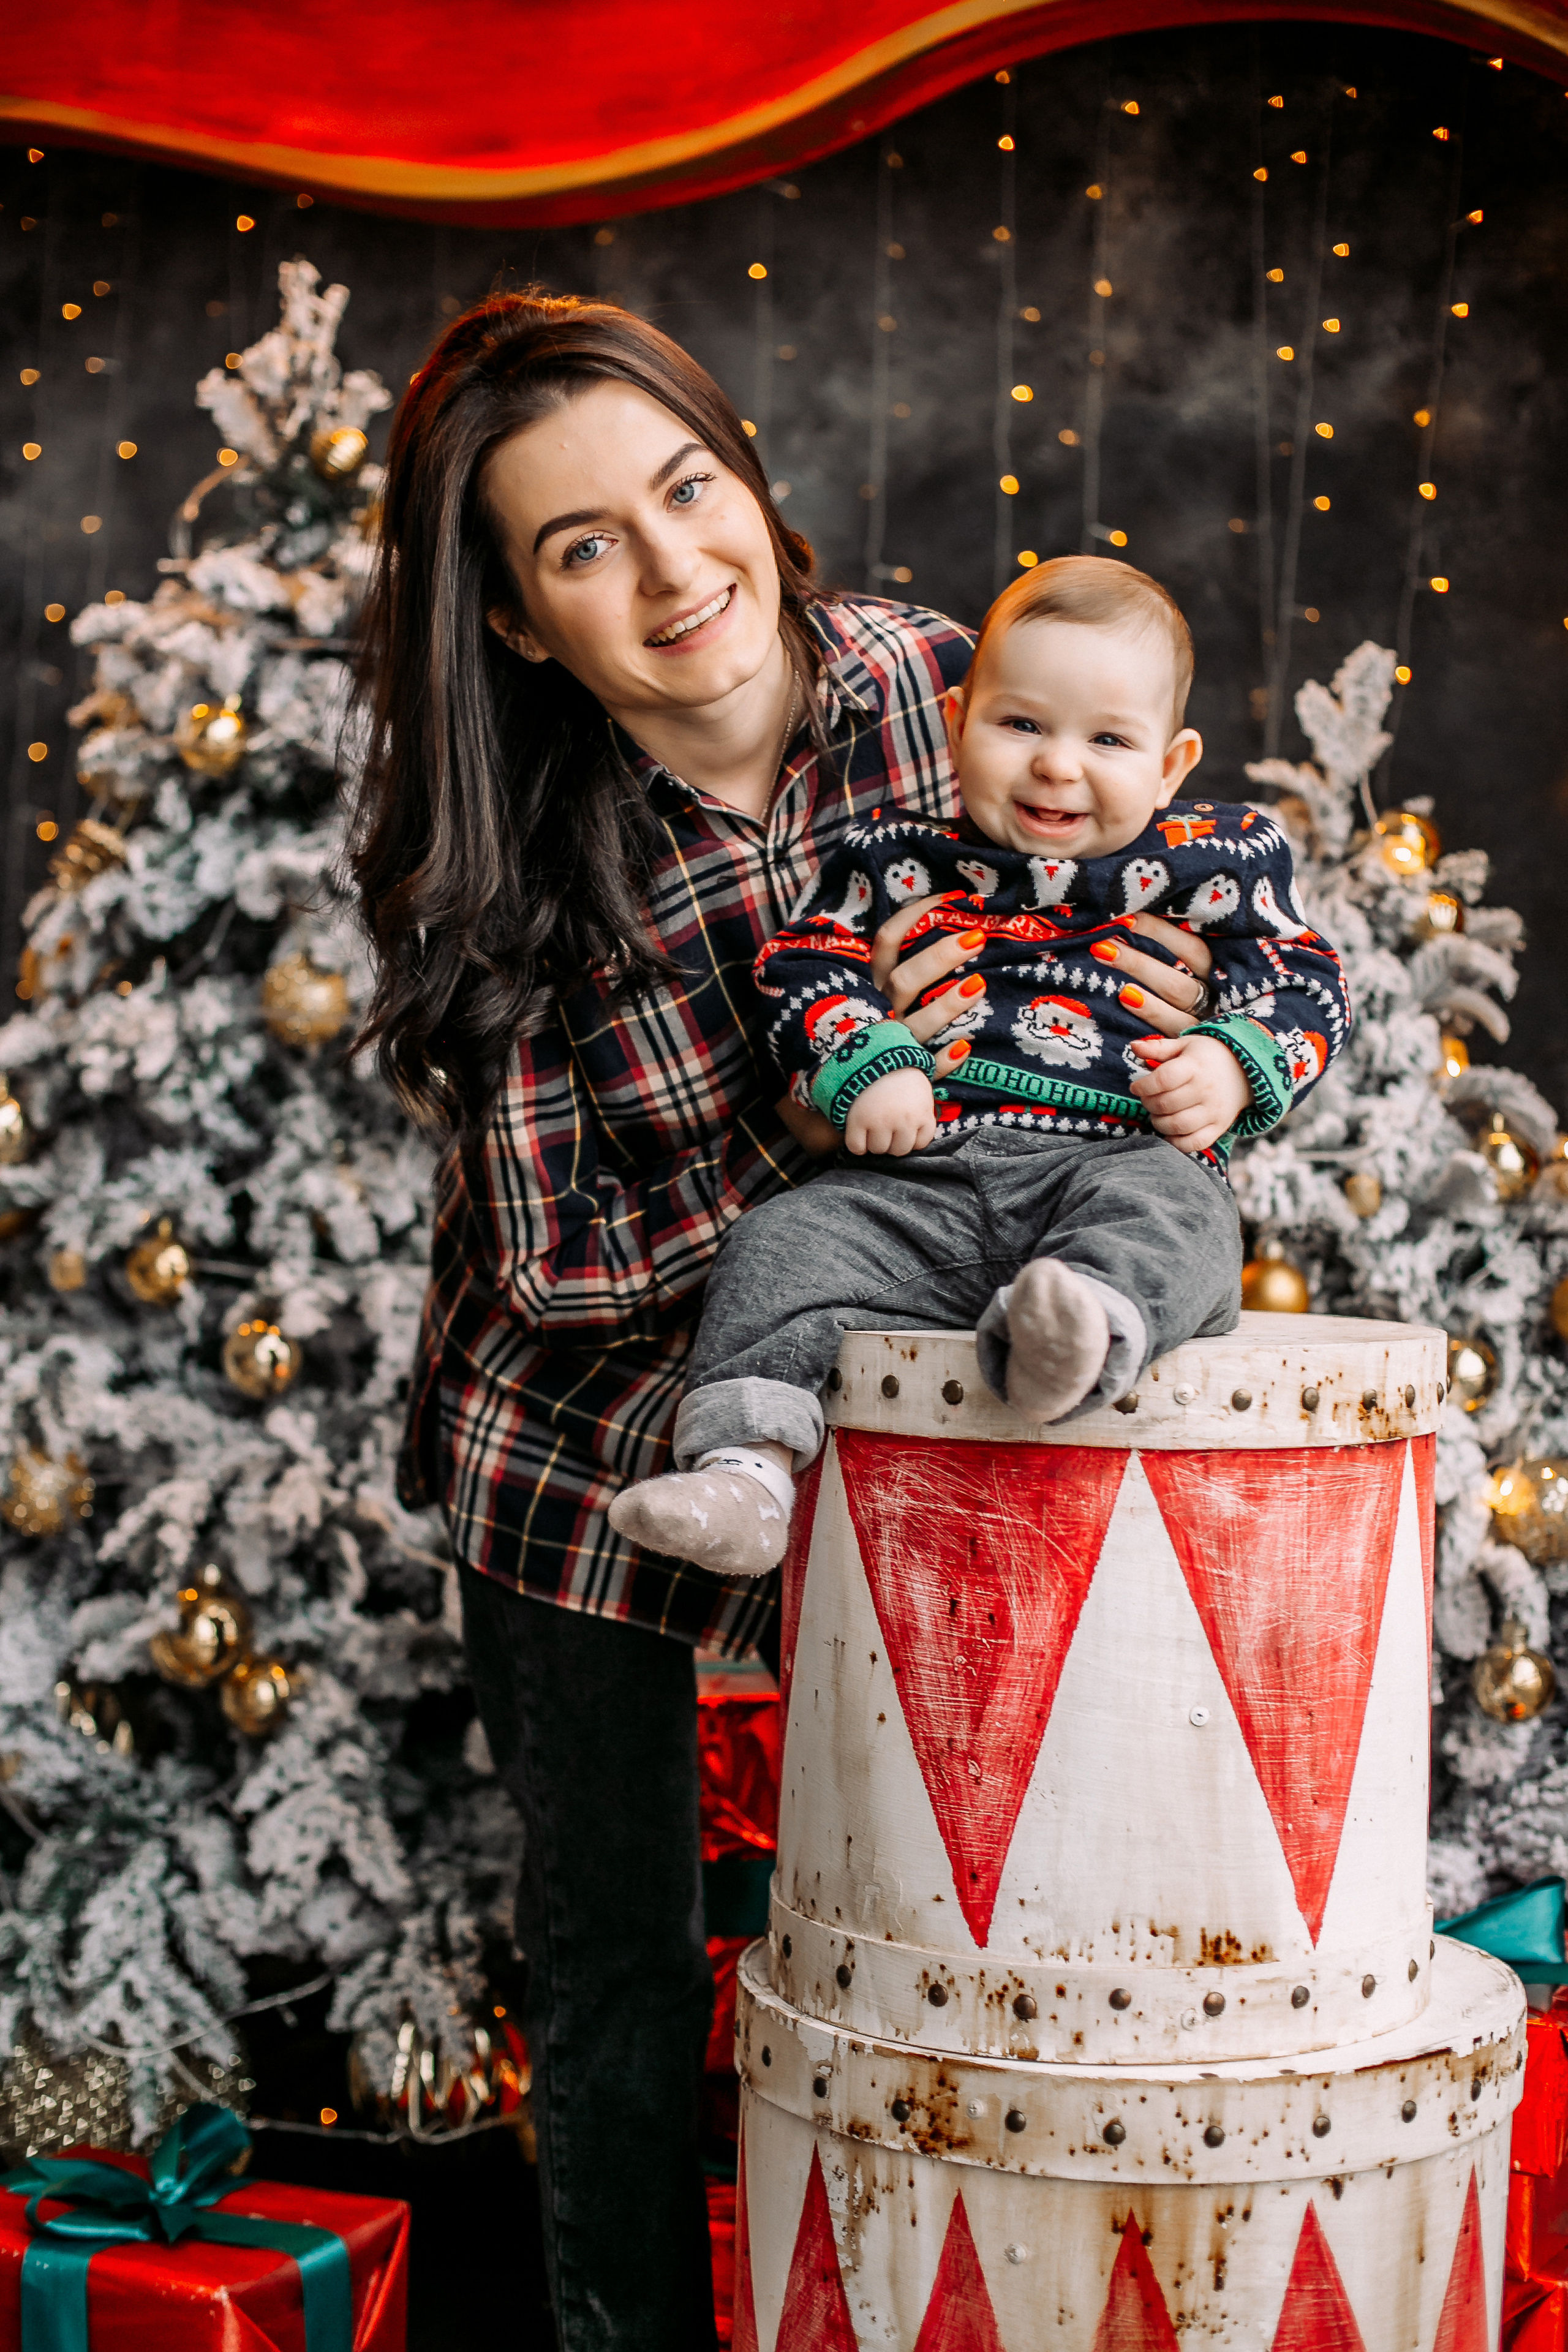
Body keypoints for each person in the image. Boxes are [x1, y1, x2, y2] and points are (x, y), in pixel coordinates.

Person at [350, 293, 1219, 2351]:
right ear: (512, 620)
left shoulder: (942, 688)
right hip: (576, 1457)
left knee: (932, 1902)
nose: (670, 573)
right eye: (581, 549)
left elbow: (1131, 909)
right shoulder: (508, 859)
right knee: (628, 1955)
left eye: (682, 489)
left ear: (742, 470)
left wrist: (1167, 1038)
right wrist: (888, 1164)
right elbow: (566, 1268)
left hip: (906, 1398)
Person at [609, 556, 1351, 1580]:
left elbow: (1306, 978)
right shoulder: (897, 859)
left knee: (1180, 1221)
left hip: (1116, 1158)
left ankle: (1078, 1329)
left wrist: (1233, 1061)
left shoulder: (1215, 865)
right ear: (958, 720)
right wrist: (867, 1062)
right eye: (1022, 725)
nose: (1057, 766)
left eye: (1108, 740)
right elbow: (803, 964)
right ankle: (747, 1471)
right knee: (781, 1245)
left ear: (1173, 763)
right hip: (920, 1180)